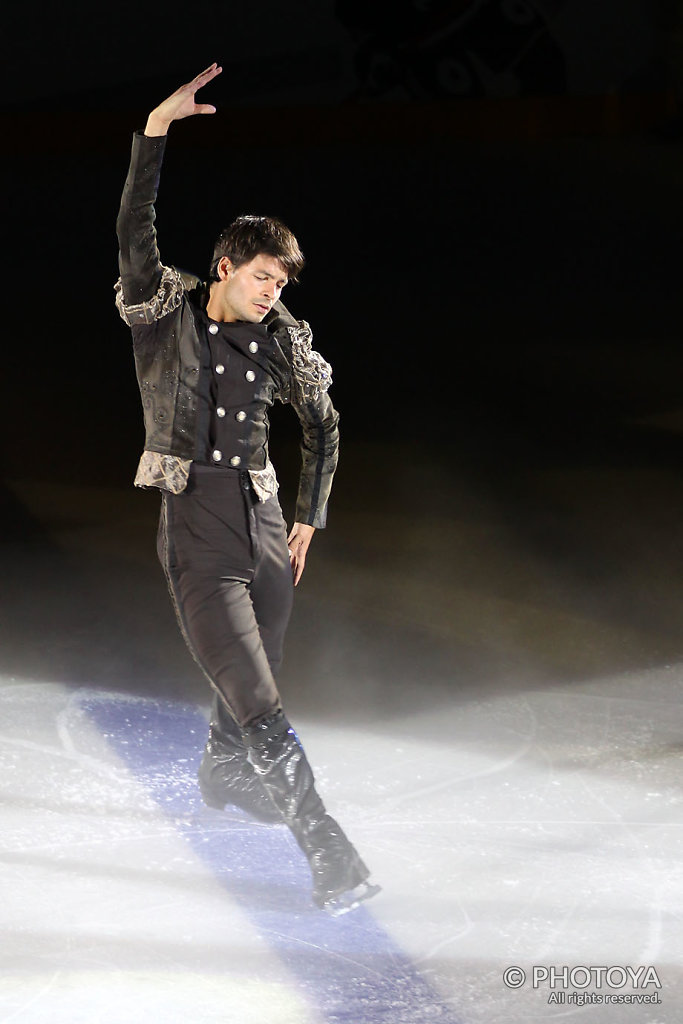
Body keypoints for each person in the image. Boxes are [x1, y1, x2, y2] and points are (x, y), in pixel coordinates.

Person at [115, 63, 379, 915]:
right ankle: (328, 849)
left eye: (282, 284)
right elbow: (135, 230)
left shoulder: (283, 341)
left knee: (251, 676)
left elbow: (325, 425)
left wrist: (308, 517)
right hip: (196, 529)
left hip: (265, 527)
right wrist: (154, 130)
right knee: (257, 693)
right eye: (264, 277)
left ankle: (222, 775)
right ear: (226, 266)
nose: (274, 294)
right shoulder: (167, 312)